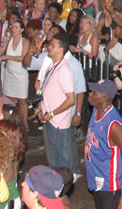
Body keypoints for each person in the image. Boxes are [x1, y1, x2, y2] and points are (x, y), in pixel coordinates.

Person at [85, 80, 122, 209]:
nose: (90, 94)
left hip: (109, 180)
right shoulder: (96, 109)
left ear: (104, 97)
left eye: (94, 92)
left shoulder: (113, 124)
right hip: (96, 173)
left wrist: (107, 155)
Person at [37, 35, 75, 168]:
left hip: (58, 122)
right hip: (49, 119)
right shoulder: (52, 66)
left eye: (52, 45)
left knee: (61, 160)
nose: (48, 47)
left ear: (61, 49)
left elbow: (71, 100)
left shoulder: (64, 70)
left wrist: (52, 114)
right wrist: (40, 109)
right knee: (53, 158)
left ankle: (63, 186)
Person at [0, 18, 31, 130]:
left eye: (17, 27)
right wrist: (4, 43)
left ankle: (25, 123)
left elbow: (23, 57)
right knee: (10, 99)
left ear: (22, 29)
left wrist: (8, 57)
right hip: (9, 73)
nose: (14, 29)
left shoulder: (25, 41)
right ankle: (13, 123)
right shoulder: (9, 39)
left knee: (22, 100)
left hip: (20, 73)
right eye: (13, 27)